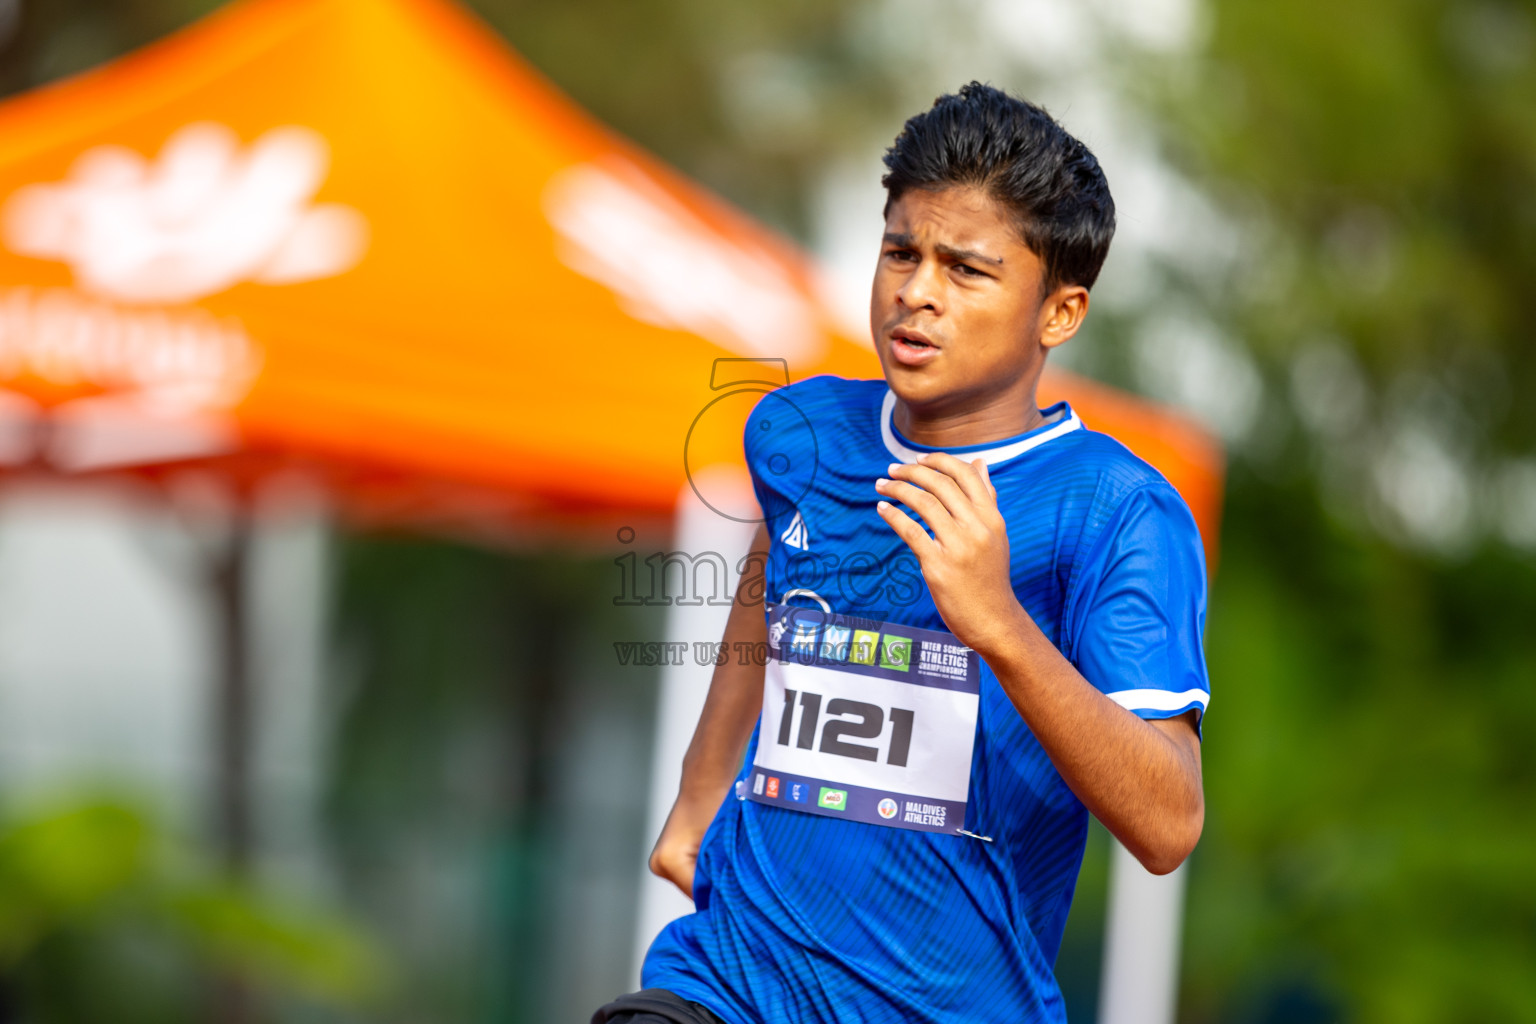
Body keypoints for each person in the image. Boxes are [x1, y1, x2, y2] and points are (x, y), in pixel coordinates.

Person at [594, 81, 1210, 1024]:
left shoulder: (1117, 510)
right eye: (900, 252)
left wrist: (999, 622)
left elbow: (1169, 823)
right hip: (727, 984)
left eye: (966, 270)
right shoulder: (802, 431)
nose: (916, 292)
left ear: (1060, 313)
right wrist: (699, 792)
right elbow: (774, 569)